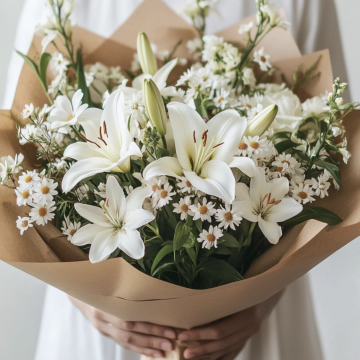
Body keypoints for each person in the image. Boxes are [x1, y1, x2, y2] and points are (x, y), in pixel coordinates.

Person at [3, 1, 352, 359]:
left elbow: (334, 135)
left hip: (252, 322)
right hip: (100, 327)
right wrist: (87, 300)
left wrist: (261, 302)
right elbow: (21, 148)